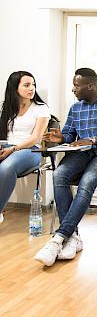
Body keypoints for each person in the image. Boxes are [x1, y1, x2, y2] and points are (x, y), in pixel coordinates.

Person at [34, 68, 97, 267]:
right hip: (81, 154)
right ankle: (73, 236)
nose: (73, 89)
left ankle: (59, 238)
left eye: (76, 85)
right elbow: (69, 135)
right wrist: (60, 138)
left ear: (90, 86)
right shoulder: (76, 108)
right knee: (59, 174)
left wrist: (93, 140)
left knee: (87, 181)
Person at [0, 71, 50, 223]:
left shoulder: (41, 108)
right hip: (7, 146)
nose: (32, 88)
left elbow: (36, 138)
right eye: (27, 85)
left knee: (6, 167)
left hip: (30, 150)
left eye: (33, 85)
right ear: (15, 88)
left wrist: (13, 149)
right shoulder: (6, 108)